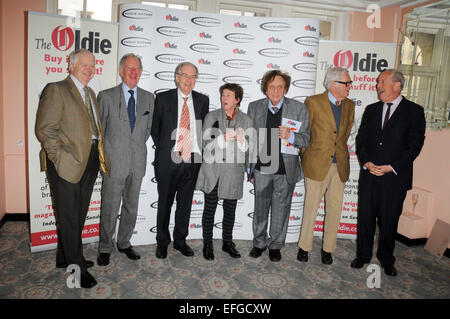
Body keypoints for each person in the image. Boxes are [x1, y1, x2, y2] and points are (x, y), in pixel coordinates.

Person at [35, 48, 110, 288]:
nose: (89, 69)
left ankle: (63, 256)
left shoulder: (90, 93)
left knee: (76, 215)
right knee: (69, 216)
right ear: (71, 66)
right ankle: (75, 270)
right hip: (66, 164)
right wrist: (60, 158)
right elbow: (45, 129)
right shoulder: (57, 89)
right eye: (84, 65)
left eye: (92, 65)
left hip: (90, 161)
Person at [352, 69, 426, 276]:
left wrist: (391, 167)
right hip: (369, 176)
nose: (377, 85)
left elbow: (415, 146)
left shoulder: (414, 111)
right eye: (377, 82)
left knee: (389, 221)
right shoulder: (372, 109)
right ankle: (363, 255)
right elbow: (361, 140)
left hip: (395, 178)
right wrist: (366, 162)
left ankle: (386, 259)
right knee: (365, 218)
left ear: (397, 85)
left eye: (382, 82)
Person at [96, 54, 154, 266]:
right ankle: (104, 247)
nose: (133, 72)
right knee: (110, 207)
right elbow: (99, 131)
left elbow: (146, 132)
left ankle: (124, 242)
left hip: (137, 162)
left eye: (137, 68)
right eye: (129, 68)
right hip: (114, 163)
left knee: (131, 205)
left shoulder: (149, 98)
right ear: (121, 71)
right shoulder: (106, 96)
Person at [247, 70, 310, 262]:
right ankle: (259, 243)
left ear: (286, 89)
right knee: (260, 209)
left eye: (280, 86)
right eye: (272, 86)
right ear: (265, 88)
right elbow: (250, 140)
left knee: (281, 210)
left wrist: (290, 136)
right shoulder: (254, 107)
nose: (276, 90)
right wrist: (250, 168)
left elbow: (306, 138)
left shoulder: (299, 108)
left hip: (286, 169)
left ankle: (275, 246)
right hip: (262, 167)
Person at [151, 62, 209, 259]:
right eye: (185, 75)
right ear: (177, 77)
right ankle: (162, 241)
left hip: (192, 161)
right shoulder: (162, 98)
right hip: (169, 161)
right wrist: (169, 151)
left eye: (193, 77)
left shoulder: (202, 101)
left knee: (185, 203)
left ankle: (180, 240)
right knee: (165, 203)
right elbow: (155, 130)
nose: (188, 80)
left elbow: (204, 131)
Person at [297, 67, 355, 265]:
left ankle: (328, 249)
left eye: (350, 83)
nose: (349, 87)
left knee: (335, 209)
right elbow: (305, 132)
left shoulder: (350, 105)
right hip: (316, 164)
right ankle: (304, 247)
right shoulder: (313, 102)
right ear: (333, 84)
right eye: (346, 83)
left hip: (340, 166)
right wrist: (307, 157)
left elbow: (345, 133)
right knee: (311, 208)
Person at [196, 83, 253, 260]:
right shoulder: (211, 117)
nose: (224, 98)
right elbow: (205, 147)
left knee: (230, 210)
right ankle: (208, 243)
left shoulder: (246, 121)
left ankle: (227, 242)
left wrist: (243, 142)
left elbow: (250, 150)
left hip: (233, 174)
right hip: (213, 172)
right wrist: (222, 139)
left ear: (237, 100)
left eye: (229, 95)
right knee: (209, 209)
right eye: (223, 95)